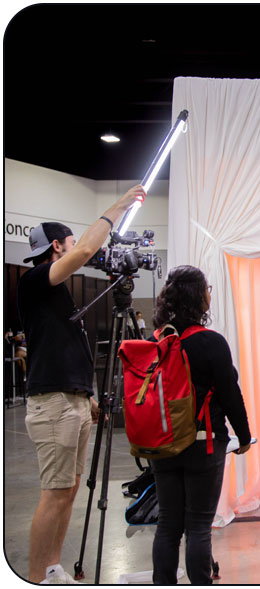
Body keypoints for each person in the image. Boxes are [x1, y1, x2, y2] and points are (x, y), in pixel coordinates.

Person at [17, 186, 145, 584]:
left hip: (71, 400)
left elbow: (67, 347)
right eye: (70, 244)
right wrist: (118, 206)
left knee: (69, 490)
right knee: (55, 492)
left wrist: (87, 394)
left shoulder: (56, 294)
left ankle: (52, 568)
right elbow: (87, 250)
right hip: (53, 403)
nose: (79, 250)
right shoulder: (35, 280)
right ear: (56, 246)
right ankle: (36, 577)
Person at [149, 265, 253, 583]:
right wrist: (244, 437)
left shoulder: (155, 341)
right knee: (198, 526)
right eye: (207, 288)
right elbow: (230, 395)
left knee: (168, 524)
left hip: (162, 443)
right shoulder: (211, 342)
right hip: (203, 442)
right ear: (199, 297)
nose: (210, 294)